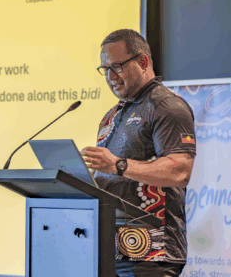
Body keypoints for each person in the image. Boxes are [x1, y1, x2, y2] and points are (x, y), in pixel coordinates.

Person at [81, 29, 196, 277]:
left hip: (150, 252)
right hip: (107, 248)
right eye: (105, 69)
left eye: (117, 66)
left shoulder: (167, 106)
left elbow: (180, 170)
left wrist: (118, 165)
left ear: (143, 61)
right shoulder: (112, 115)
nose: (110, 76)